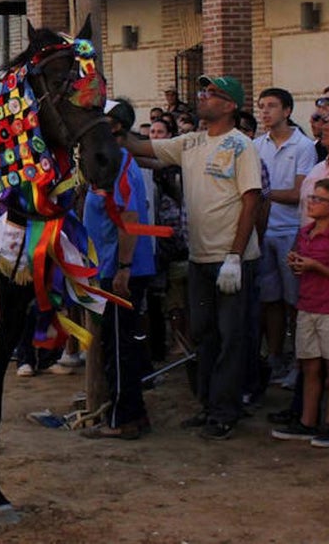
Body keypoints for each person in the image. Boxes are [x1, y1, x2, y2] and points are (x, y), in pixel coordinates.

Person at [123, 74, 262, 440]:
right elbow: (143, 150)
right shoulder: (191, 142)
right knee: (204, 333)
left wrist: (235, 255)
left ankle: (226, 410)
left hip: (231, 259)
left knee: (231, 336)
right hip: (200, 256)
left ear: (230, 106)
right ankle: (208, 403)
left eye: (212, 94)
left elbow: (251, 201)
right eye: (202, 92)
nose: (202, 98)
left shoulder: (240, 145)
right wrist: (111, 129)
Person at [82, 100, 156, 439]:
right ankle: (135, 413)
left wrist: (123, 267)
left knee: (117, 347)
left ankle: (122, 420)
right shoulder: (108, 164)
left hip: (121, 270)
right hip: (112, 267)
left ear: (114, 127)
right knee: (120, 344)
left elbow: (129, 218)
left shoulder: (120, 166)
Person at [271, 179, 329, 447]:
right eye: (312, 197)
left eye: (319, 199)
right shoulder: (306, 232)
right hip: (308, 306)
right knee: (309, 365)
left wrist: (314, 266)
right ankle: (308, 422)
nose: (311, 202)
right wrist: (299, 264)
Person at [254, 88, 318, 387]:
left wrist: (262, 194)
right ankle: (276, 358)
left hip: (290, 230)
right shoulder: (256, 145)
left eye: (272, 106)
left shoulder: (303, 146)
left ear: (287, 110)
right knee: (271, 300)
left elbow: (297, 194)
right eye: (262, 106)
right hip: (264, 230)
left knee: (295, 301)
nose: (265, 112)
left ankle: (298, 360)